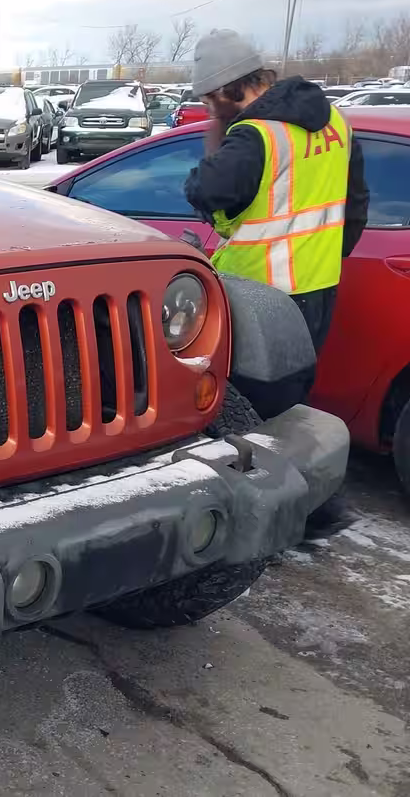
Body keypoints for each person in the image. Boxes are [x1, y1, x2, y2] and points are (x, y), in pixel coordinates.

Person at [183, 28, 369, 539]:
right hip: (317, 288)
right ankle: (317, 508)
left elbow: (204, 189)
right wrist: (322, 259)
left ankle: (295, 514)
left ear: (225, 89)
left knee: (244, 412)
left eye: (208, 99)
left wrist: (214, 143)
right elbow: (354, 208)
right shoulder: (335, 122)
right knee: (289, 405)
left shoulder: (256, 134)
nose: (209, 108)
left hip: (260, 296)